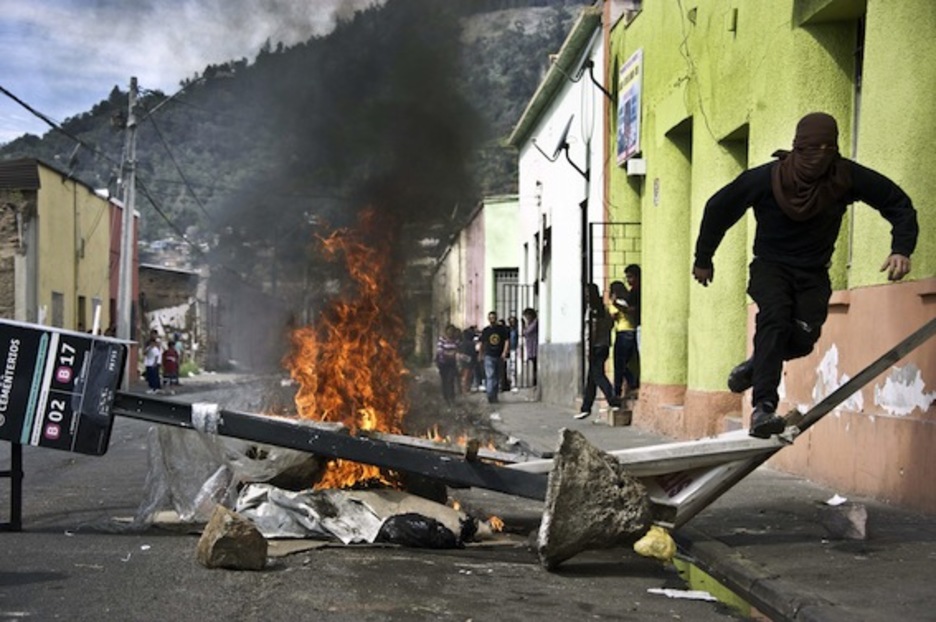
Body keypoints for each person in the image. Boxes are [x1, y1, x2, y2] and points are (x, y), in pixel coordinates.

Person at [692, 112, 918, 439]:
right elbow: (719, 208)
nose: (819, 156)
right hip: (771, 267)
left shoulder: (844, 177)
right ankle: (763, 408)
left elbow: (897, 203)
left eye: (828, 148)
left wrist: (901, 248)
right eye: (812, 149)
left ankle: (756, 366)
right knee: (774, 319)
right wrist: (703, 258)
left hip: (813, 273)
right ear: (797, 147)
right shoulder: (766, 179)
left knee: (803, 340)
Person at [576, 284, 622, 419]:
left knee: (598, 375)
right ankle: (586, 407)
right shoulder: (604, 309)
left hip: (595, 347)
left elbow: (592, 332)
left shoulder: (592, 311)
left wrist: (588, 349)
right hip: (604, 345)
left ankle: (613, 400)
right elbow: (610, 325)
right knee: (591, 378)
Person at [609, 265, 641, 397]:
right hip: (633, 330)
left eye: (630, 277)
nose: (628, 280)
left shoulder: (621, 301)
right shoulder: (630, 295)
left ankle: (618, 390)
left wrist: (614, 304)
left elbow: (613, 316)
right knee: (627, 361)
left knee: (619, 363)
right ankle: (631, 382)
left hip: (623, 332)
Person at [479, 311, 510, 404]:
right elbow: (482, 343)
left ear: (496, 318)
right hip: (489, 355)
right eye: (490, 318)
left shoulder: (501, 329)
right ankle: (490, 395)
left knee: (496, 376)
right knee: (490, 375)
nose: (492, 319)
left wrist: (504, 352)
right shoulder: (486, 330)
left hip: (499, 355)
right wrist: (480, 354)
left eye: (493, 317)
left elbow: (506, 341)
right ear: (488, 319)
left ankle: (494, 396)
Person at [435, 324, 459, 404]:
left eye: (452, 331)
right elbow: (440, 351)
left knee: (451, 379)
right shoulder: (442, 340)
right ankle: (446, 397)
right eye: (449, 331)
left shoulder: (455, 340)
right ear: (446, 331)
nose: (450, 332)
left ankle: (452, 397)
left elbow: (457, 350)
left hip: (452, 364)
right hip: (443, 363)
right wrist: (449, 354)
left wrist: (455, 354)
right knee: (444, 380)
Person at [522, 308, 538, 387]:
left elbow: (526, 332)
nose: (527, 318)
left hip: (534, 347)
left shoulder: (534, 323)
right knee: (534, 366)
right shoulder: (530, 324)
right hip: (531, 348)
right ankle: (534, 382)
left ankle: (535, 382)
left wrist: (525, 324)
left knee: (536, 366)